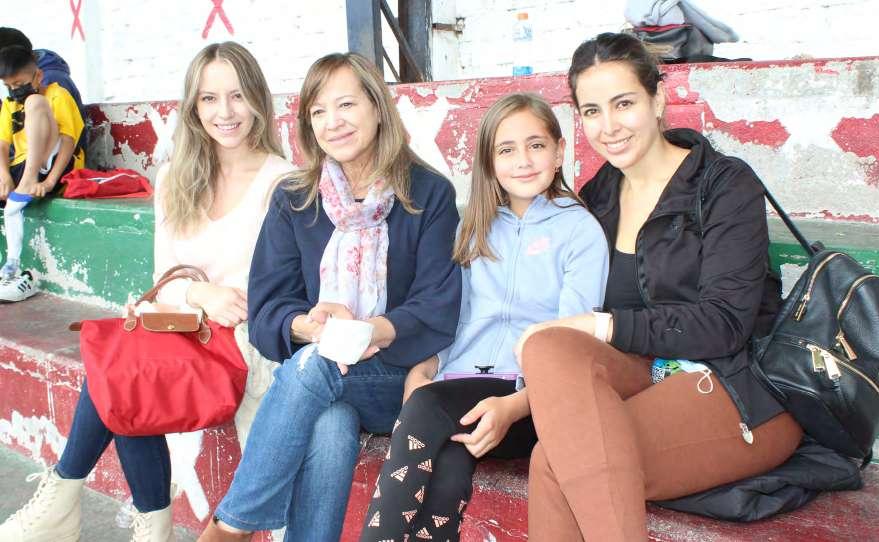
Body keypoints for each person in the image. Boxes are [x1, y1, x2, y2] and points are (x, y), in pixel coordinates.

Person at [0, 41, 293, 542]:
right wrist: (196, 297)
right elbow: (167, 278)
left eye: (238, 96)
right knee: (123, 361)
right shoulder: (177, 177)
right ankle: (132, 521)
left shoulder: (282, 182)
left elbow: (270, 293)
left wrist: (198, 299)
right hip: (186, 324)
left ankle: (74, 499)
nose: (224, 113)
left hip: (244, 341)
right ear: (193, 106)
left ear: (258, 100)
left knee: (121, 370)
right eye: (209, 98)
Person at [515, 32, 803, 541]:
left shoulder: (724, 184)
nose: (609, 126)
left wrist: (604, 325)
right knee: (548, 346)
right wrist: (511, 404)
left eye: (623, 103)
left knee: (554, 462)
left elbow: (725, 324)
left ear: (659, 99)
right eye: (592, 111)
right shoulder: (598, 197)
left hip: (741, 387)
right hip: (648, 376)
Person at [198, 52, 461, 542]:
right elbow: (268, 310)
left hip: (397, 376)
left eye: (346, 105)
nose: (332, 122)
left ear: (378, 107)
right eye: (318, 111)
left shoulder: (428, 194)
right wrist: (310, 324)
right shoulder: (295, 198)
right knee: (330, 420)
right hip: (322, 382)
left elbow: (437, 306)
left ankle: (230, 526)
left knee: (316, 366)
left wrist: (365, 332)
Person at [359, 93, 609, 542]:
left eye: (536, 145)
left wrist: (514, 406)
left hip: (533, 400)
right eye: (506, 150)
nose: (523, 160)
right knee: (448, 469)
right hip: (460, 388)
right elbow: (454, 317)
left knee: (427, 407)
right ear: (489, 163)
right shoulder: (473, 227)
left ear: (559, 151)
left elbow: (571, 348)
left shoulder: (580, 231)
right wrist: (426, 365)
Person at [0, 45, 85, 301]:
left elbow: (69, 141)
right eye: (8, 86)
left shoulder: (57, 94)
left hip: (55, 165)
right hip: (23, 167)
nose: (14, 90)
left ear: (38, 76)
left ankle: (29, 180)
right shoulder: (9, 104)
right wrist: (4, 176)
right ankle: (10, 269)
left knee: (34, 101)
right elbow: (3, 145)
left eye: (19, 83)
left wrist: (49, 181)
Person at [0, 27, 86, 128]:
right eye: (7, 86)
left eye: (19, 84)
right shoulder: (20, 79)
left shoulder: (50, 80)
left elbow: (64, 132)